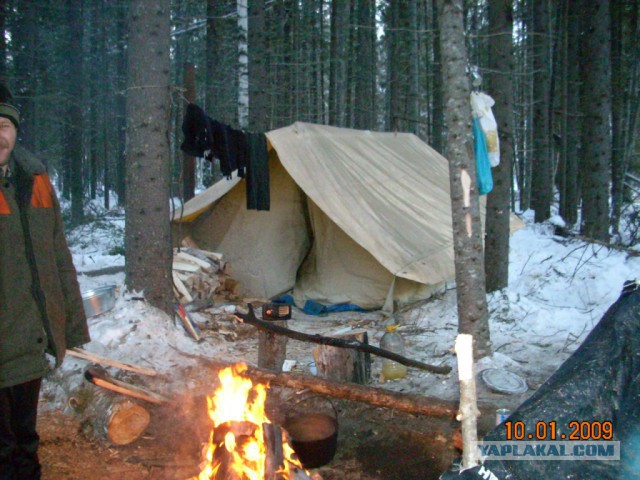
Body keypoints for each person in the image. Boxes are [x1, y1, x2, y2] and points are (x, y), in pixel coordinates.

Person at [0, 84, 90, 479]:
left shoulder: (35, 179)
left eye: (5, 124)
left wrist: (69, 326)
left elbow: (58, 257)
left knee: (26, 441)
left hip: (30, 342)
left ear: (16, 131)